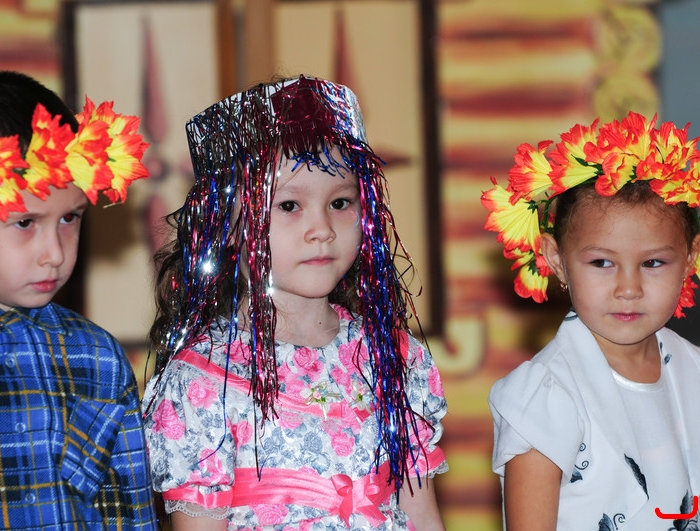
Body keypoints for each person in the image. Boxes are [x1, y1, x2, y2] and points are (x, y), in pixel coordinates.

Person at [142, 76, 448, 530]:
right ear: (227, 223)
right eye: (289, 206)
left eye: (340, 202)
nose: (321, 229)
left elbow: (422, 514)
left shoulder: (393, 357)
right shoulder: (204, 381)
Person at [0, 70, 157, 529]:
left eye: (70, 218)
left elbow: (130, 515)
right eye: (24, 223)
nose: (54, 252)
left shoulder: (97, 357)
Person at [482, 111, 700, 530]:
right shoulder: (547, 396)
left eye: (653, 263)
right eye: (602, 263)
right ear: (556, 259)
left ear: (690, 259)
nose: (628, 288)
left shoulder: (694, 369)